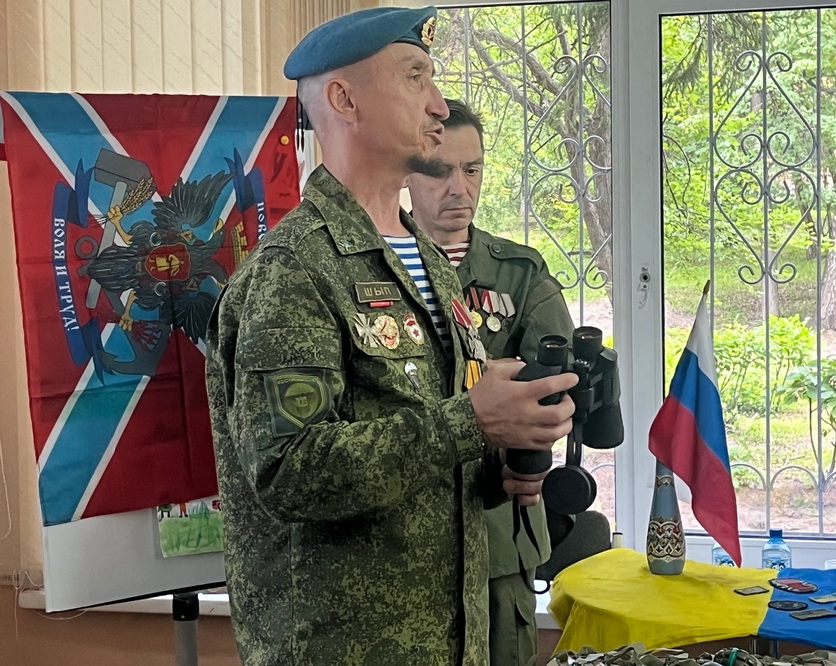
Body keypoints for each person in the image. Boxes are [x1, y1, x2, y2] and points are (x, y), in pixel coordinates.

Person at [203, 7, 578, 665]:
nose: (438, 105)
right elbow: (289, 472)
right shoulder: (293, 270)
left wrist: (504, 454)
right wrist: (470, 420)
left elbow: (430, 458)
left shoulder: (428, 260)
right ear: (344, 100)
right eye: (414, 78)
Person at [408, 98, 576, 666]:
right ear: (407, 172)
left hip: (496, 526)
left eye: (472, 169)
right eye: (439, 170)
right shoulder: (373, 270)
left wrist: (532, 449)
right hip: (401, 532)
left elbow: (561, 386)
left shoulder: (518, 274)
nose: (459, 188)